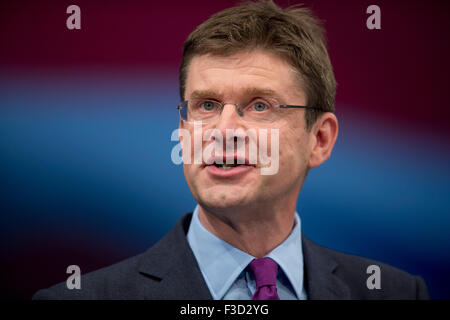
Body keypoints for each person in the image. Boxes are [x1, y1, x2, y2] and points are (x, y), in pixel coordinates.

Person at [33, 0, 428, 300]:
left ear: (319, 139)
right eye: (205, 105)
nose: (223, 132)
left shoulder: (395, 291)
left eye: (259, 106)